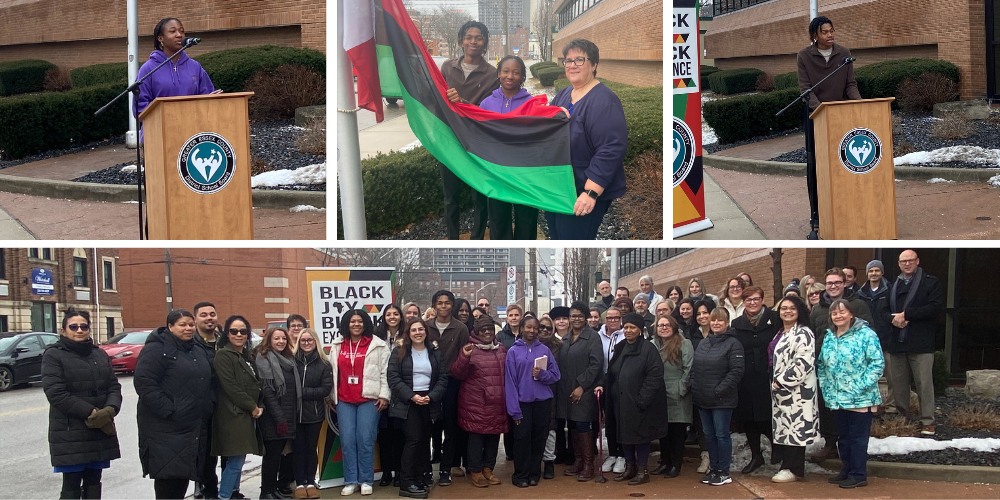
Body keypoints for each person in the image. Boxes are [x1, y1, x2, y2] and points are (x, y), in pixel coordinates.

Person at [547, 39, 628, 240]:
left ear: (594, 65)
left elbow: (611, 148)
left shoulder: (604, 101)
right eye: (568, 61)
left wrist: (590, 192)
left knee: (571, 239)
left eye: (580, 60)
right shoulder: (565, 94)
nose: (572, 65)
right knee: (557, 236)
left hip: (582, 190)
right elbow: (544, 124)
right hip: (561, 186)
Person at [135, 309, 215, 499]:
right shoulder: (157, 349)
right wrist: (170, 411)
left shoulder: (196, 348)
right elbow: (145, 384)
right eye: (182, 325)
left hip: (193, 425)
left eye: (190, 324)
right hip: (166, 428)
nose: (188, 328)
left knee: (183, 476)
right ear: (170, 327)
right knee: (168, 479)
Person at [42, 310, 122, 500]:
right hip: (71, 431)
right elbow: (56, 393)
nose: (79, 330)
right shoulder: (54, 355)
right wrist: (92, 412)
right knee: (71, 483)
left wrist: (111, 409)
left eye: (84, 326)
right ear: (63, 331)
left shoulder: (99, 354)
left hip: (100, 428)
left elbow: (113, 386)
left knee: (94, 481)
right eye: (73, 327)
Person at [798, 16, 862, 239]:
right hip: (816, 117)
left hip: (841, 118)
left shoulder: (844, 53)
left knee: (842, 164)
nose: (830, 35)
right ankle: (817, 218)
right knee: (817, 167)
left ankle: (844, 212)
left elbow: (850, 85)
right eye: (824, 32)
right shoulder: (804, 56)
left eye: (832, 31)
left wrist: (859, 105)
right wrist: (822, 110)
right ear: (815, 35)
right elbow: (806, 90)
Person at [593, 313, 668, 485]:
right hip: (620, 402)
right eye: (625, 327)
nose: (628, 330)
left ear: (640, 330)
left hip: (640, 403)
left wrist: (642, 399)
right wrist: (602, 384)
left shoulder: (648, 349)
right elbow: (611, 371)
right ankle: (630, 467)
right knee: (624, 435)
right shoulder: (620, 347)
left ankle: (642, 470)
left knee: (640, 437)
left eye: (632, 327)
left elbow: (655, 376)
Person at [440, 20, 498, 240]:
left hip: (477, 144)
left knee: (479, 198)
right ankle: (452, 239)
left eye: (478, 37)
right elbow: (436, 99)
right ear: (461, 41)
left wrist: (462, 101)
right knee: (450, 197)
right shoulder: (447, 67)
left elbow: (489, 111)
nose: (473, 41)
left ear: (485, 43)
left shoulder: (492, 74)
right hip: (449, 142)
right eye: (469, 37)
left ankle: (476, 238)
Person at [816, 300, 883, 489]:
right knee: (843, 438)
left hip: (860, 398)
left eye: (842, 312)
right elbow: (822, 364)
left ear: (851, 314)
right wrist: (825, 385)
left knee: (857, 438)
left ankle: (858, 473)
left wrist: (859, 386)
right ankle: (847, 470)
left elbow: (877, 364)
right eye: (834, 313)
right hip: (837, 398)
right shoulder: (830, 336)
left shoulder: (866, 335)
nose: (838, 316)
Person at [809, 267, 872, 463]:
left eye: (837, 282)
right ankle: (830, 444)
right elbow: (812, 335)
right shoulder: (818, 309)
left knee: (850, 418)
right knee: (827, 409)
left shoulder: (858, 305)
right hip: (825, 370)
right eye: (829, 283)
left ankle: (853, 462)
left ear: (845, 283)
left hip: (851, 373)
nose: (833, 286)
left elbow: (869, 334)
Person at [329, 311, 391, 496]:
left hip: (369, 399)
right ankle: (350, 481)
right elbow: (332, 372)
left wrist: (384, 396)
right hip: (344, 400)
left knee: (365, 439)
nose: (356, 324)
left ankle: (365, 479)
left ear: (366, 324)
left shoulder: (378, 345)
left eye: (360, 321)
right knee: (347, 440)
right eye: (352, 321)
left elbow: (385, 373)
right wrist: (332, 396)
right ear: (347, 324)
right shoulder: (337, 344)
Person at [478, 54, 539, 239]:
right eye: (505, 71)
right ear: (498, 73)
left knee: (526, 221)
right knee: (498, 221)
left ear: (522, 77)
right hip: (496, 173)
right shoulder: (486, 103)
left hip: (525, 174)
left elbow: (540, 136)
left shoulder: (532, 104)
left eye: (516, 72)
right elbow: (479, 135)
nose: (510, 76)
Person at [387, 318, 449, 499]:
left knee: (424, 441)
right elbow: (393, 378)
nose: (417, 333)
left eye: (421, 329)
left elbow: (443, 378)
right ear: (408, 333)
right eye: (413, 330)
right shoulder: (399, 351)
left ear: (426, 332)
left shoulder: (435, 352)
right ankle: (406, 481)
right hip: (408, 402)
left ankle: (419, 477)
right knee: (413, 439)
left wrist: (431, 396)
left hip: (429, 400)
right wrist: (412, 396)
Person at [886, 250, 944, 436]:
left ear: (918, 261)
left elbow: (935, 308)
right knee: (899, 384)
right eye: (904, 261)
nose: (907, 264)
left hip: (921, 342)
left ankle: (927, 421)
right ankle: (903, 419)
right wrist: (893, 318)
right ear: (899, 264)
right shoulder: (893, 285)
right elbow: (883, 310)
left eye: (911, 260)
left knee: (924, 384)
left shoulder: (930, 282)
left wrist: (907, 315)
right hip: (897, 342)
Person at [451, 315, 508, 488]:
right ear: (476, 332)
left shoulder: (502, 349)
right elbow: (457, 374)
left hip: (498, 402)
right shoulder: (469, 349)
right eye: (483, 330)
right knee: (476, 439)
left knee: (493, 437)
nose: (487, 333)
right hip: (476, 403)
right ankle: (475, 470)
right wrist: (464, 357)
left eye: (490, 329)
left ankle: (488, 469)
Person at [690, 308, 744, 487]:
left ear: (727, 322)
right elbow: (695, 368)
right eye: (713, 320)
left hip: (722, 399)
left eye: (720, 320)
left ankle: (723, 470)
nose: (716, 323)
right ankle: (714, 468)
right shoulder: (704, 343)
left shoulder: (733, 343)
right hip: (703, 398)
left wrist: (719, 390)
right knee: (709, 435)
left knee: (721, 435)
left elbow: (736, 371)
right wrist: (694, 387)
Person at [505, 316, 561, 487]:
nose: (532, 331)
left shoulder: (544, 350)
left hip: (542, 402)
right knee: (522, 439)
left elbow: (556, 375)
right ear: (522, 328)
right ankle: (520, 474)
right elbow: (510, 382)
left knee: (539, 438)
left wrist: (542, 375)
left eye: (535, 328)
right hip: (522, 403)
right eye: (528, 327)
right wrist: (514, 410)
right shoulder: (513, 352)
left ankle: (534, 473)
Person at [135, 18, 215, 138]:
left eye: (181, 31)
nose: (179, 35)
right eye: (172, 31)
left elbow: (207, 97)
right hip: (158, 136)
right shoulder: (148, 69)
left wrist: (211, 100)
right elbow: (140, 108)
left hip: (191, 134)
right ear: (160, 38)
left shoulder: (195, 67)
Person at [212, 315, 262, 500]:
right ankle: (224, 496)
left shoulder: (247, 355)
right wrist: (252, 407)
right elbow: (230, 386)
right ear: (227, 333)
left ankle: (233, 492)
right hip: (232, 415)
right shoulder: (223, 355)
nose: (239, 334)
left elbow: (256, 384)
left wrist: (260, 404)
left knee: (237, 459)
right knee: (235, 459)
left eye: (243, 331)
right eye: (234, 331)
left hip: (245, 414)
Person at [732, 286, 780, 474]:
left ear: (762, 300)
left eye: (756, 299)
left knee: (766, 417)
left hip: (767, 375)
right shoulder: (737, 323)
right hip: (745, 377)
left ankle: (777, 447)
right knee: (749, 419)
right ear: (743, 302)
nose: (753, 303)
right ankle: (756, 456)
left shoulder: (774, 319)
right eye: (749, 299)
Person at [769, 295, 818, 483]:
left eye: (792, 308)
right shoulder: (780, 332)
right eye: (784, 308)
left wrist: (782, 381)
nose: (787, 311)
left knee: (796, 428)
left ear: (799, 311)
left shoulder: (804, 333)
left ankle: (794, 468)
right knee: (785, 427)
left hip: (797, 389)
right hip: (780, 390)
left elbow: (803, 363)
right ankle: (787, 465)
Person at [425, 291, 471, 486]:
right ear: (434, 305)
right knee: (426, 426)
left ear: (452, 305)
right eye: (439, 303)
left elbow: (463, 357)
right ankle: (425, 470)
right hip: (427, 382)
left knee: (451, 427)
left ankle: (446, 468)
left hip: (452, 382)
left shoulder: (460, 329)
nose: (443, 306)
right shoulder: (424, 327)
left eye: (447, 303)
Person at [554, 302, 603, 481]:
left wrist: (582, 386)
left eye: (580, 315)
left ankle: (589, 465)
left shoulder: (592, 337)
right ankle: (578, 461)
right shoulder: (566, 338)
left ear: (586, 317)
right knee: (572, 425)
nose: (576, 319)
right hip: (566, 390)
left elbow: (596, 364)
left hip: (585, 390)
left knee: (583, 425)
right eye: (573, 315)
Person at [254, 327, 299, 500]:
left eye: (283, 339)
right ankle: (266, 492)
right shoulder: (263, 358)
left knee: (278, 455)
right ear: (268, 340)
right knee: (271, 457)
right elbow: (267, 391)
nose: (281, 341)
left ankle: (273, 490)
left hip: (287, 413)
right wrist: (279, 417)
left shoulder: (288, 359)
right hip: (272, 416)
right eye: (276, 339)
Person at [650, 315, 692, 479]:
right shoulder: (653, 344)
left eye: (667, 325)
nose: (664, 327)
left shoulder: (683, 343)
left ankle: (676, 464)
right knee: (663, 431)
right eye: (660, 325)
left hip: (677, 391)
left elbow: (689, 368)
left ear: (673, 326)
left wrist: (681, 388)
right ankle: (665, 462)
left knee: (677, 431)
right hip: (659, 392)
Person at [292, 329, 332, 499]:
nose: (306, 343)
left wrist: (301, 392)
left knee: (310, 448)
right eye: (303, 340)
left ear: (315, 342)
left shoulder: (324, 364)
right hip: (294, 413)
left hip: (314, 413)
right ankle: (299, 483)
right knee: (297, 449)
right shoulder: (291, 362)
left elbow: (325, 389)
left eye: (310, 340)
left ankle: (310, 481)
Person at [371, 305, 406, 488]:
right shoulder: (375, 337)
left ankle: (399, 471)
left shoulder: (407, 334)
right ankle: (386, 471)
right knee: (383, 434)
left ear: (401, 316)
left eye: (395, 314)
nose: (392, 317)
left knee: (399, 433)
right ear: (384, 317)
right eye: (388, 314)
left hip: (401, 391)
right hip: (381, 390)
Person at [856, 260, 896, 414]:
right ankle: (871, 407)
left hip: (886, 339)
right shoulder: (861, 293)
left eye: (877, 270)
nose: (874, 273)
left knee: (892, 377)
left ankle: (892, 407)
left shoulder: (890, 290)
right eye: (871, 271)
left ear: (882, 272)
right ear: (867, 273)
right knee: (869, 377)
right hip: (867, 342)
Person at [688, 299, 715, 474]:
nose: (702, 316)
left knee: (717, 426)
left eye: (705, 312)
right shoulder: (692, 335)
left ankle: (717, 458)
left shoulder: (720, 333)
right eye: (698, 313)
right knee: (701, 425)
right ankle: (706, 456)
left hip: (717, 388)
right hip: (697, 387)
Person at [596, 306, 624, 474]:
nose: (613, 321)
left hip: (621, 383)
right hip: (603, 382)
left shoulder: (625, 335)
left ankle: (623, 454)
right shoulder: (598, 337)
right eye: (610, 318)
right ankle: (612, 453)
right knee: (610, 421)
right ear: (605, 319)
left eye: (616, 318)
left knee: (622, 420)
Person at [536, 316, 565, 478]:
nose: (544, 330)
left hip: (553, 391)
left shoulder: (560, 346)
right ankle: (535, 461)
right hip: (532, 391)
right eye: (541, 327)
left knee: (551, 427)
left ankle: (549, 462)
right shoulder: (529, 344)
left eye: (548, 328)